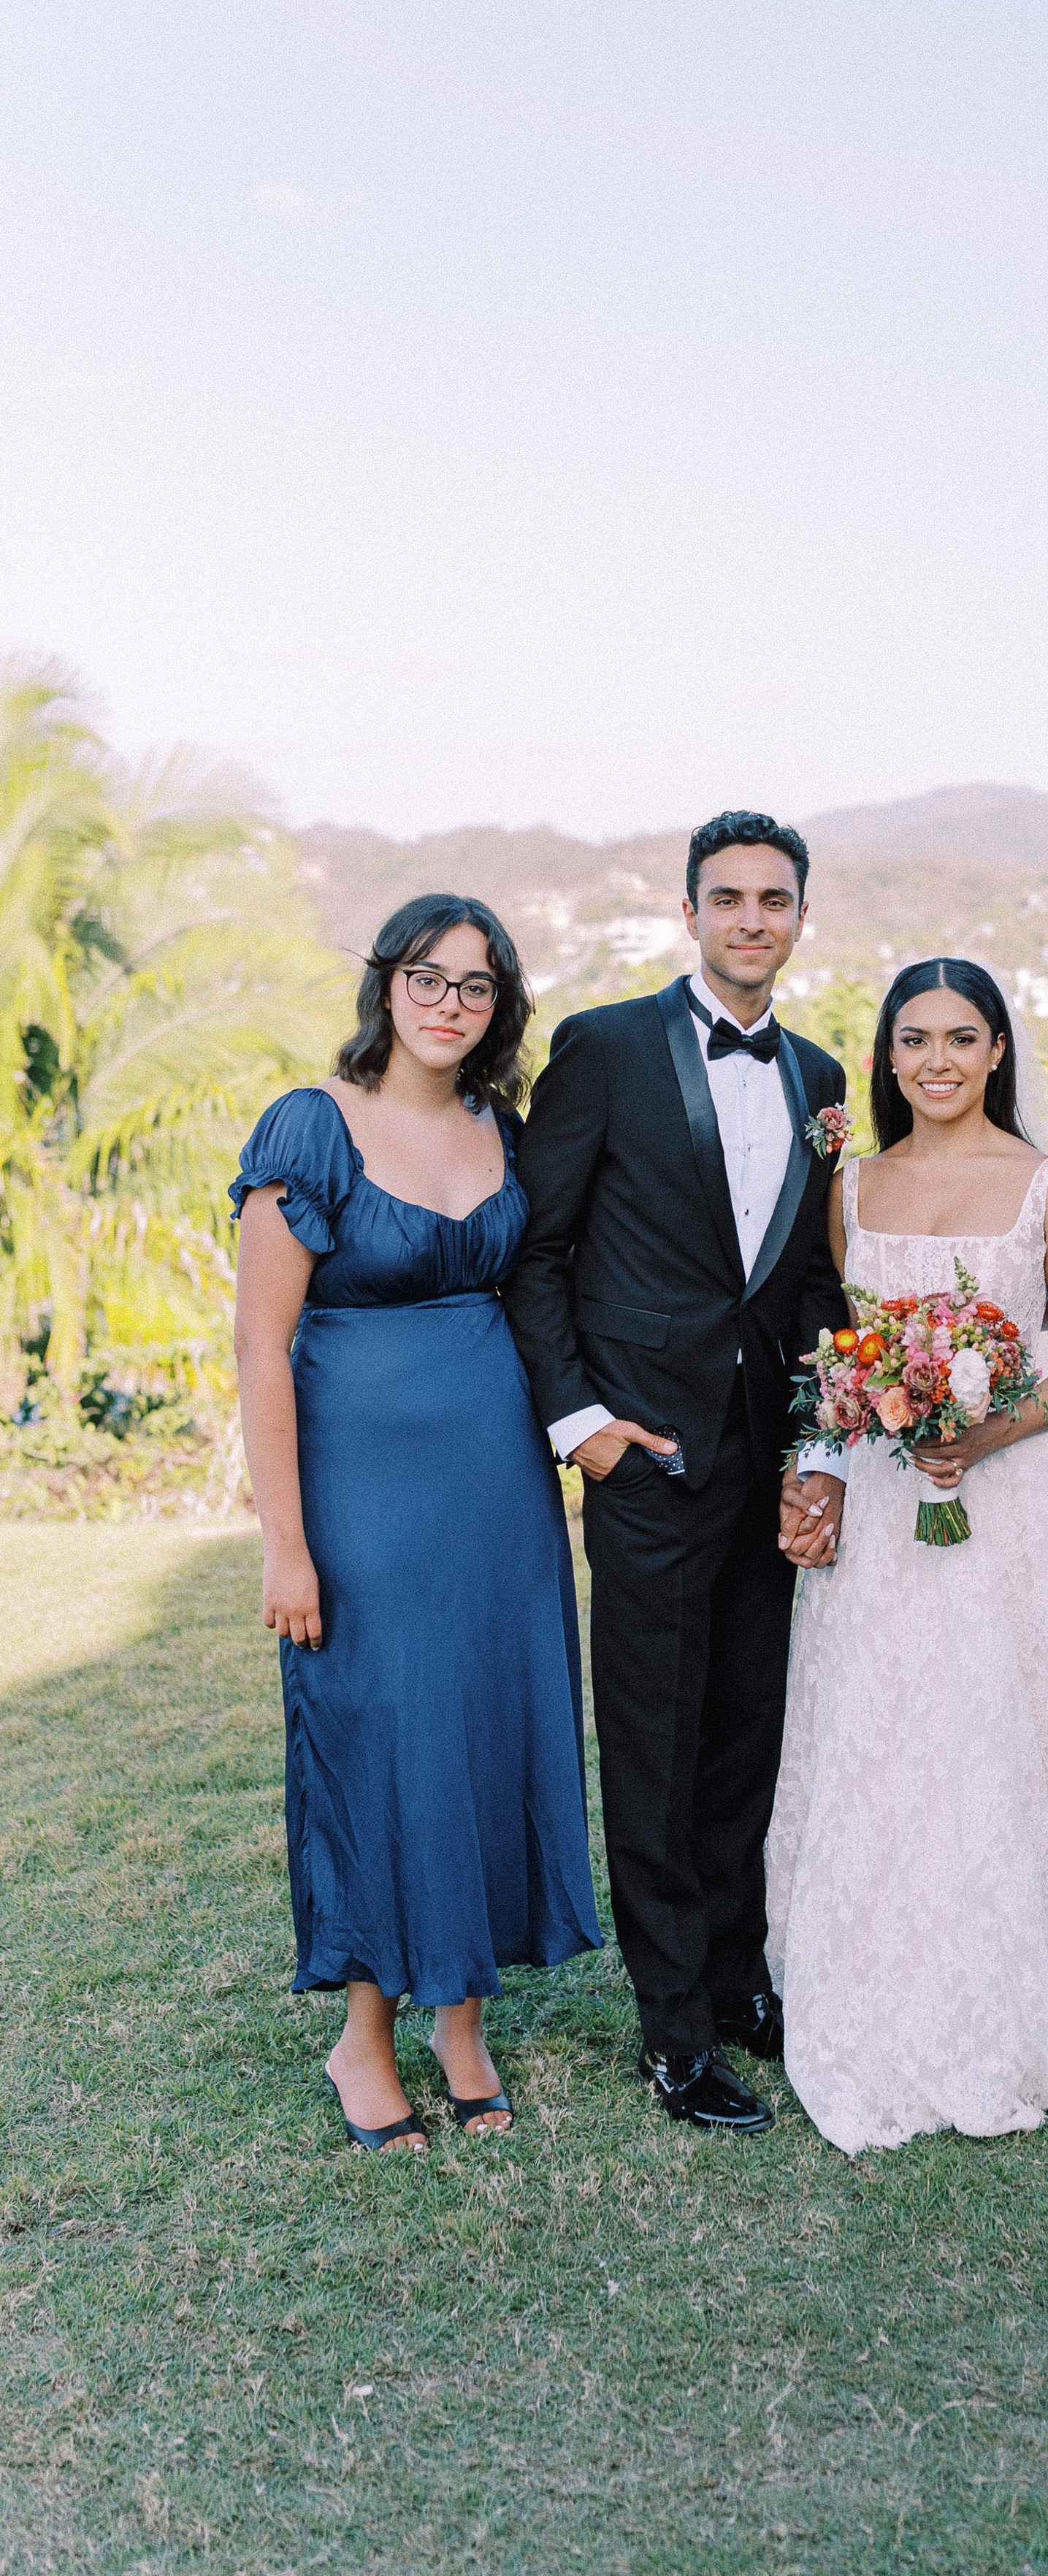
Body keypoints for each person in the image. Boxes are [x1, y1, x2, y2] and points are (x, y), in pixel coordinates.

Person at [765, 959, 1048, 2154]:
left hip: (1014, 1499)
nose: (937, 1060)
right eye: (914, 1040)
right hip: (890, 1509)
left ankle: (1023, 1989)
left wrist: (987, 1432)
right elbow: (840, 1358)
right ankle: (875, 1985)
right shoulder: (853, 1185)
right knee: (885, 1733)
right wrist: (826, 1464)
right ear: (886, 1057)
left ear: (998, 1052)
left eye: (962, 1038)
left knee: (1001, 1732)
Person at [232, 895, 602, 2153]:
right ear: (386, 986)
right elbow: (260, 1348)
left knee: (487, 1727)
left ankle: (463, 2019)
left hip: (497, 1487)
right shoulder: (313, 1127)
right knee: (381, 1736)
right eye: (429, 979)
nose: (451, 1005)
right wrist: (286, 1540)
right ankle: (365, 2035)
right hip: (361, 1491)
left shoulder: (507, 1128)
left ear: (501, 1009)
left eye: (478, 987)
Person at [502, 812, 850, 2135]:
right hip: (644, 1458)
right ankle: (672, 2036)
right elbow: (538, 1254)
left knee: (743, 1733)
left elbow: (811, 1283)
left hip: (768, 1465)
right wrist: (581, 1423)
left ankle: (730, 1978)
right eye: (729, 898)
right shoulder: (603, 1048)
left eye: (775, 899)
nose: (752, 918)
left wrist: (818, 1449)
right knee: (651, 1742)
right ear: (689, 912)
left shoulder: (819, 1076)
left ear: (802, 917)